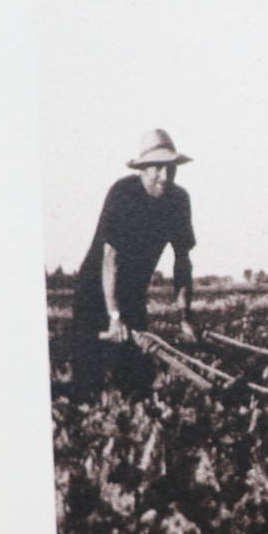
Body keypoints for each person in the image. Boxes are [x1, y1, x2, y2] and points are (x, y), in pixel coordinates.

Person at [69, 129, 198, 399]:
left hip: (133, 294)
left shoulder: (179, 201)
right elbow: (110, 259)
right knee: (89, 382)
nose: (164, 176)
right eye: (157, 168)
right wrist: (114, 317)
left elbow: (182, 262)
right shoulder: (123, 194)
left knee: (136, 380)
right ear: (142, 169)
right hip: (95, 292)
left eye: (170, 168)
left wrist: (185, 316)